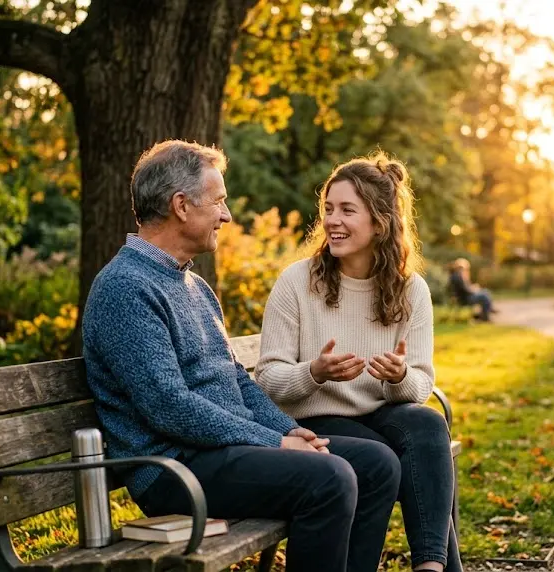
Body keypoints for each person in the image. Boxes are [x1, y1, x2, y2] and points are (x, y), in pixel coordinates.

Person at [81, 141, 401, 572]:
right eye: (219, 201)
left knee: (377, 464)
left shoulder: (195, 287)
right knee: (331, 478)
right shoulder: (126, 288)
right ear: (181, 206)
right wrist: (275, 442)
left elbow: (238, 383)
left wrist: (292, 432)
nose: (227, 215)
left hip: (220, 452)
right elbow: (167, 405)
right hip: (173, 468)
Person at [255, 152, 463, 572]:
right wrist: (314, 372)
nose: (333, 220)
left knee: (427, 423)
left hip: (378, 415)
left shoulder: (410, 289)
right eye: (328, 208)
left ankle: (430, 567)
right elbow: (268, 380)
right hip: (313, 422)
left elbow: (421, 383)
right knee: (386, 457)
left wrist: (400, 375)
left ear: (380, 222)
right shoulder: (298, 282)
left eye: (348, 210)